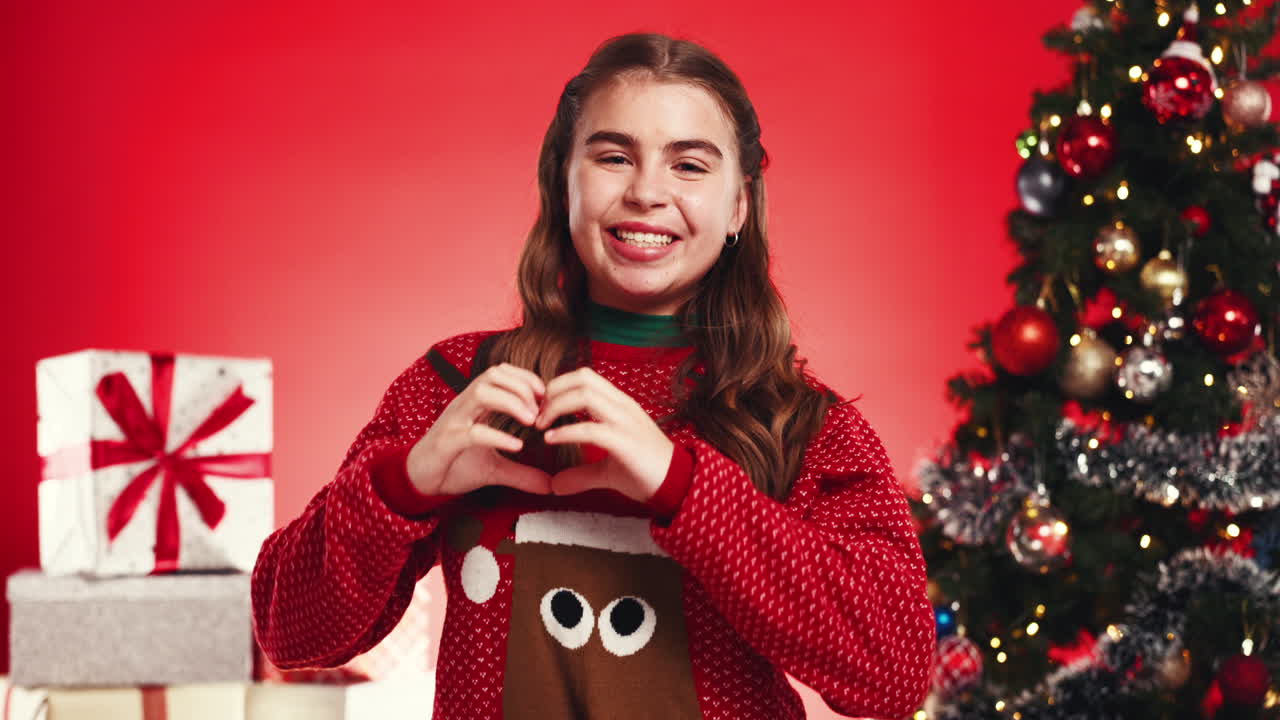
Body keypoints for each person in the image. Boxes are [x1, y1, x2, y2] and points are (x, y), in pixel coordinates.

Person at [252, 32, 934, 720]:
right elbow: (291, 630)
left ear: (738, 206)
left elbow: (897, 672)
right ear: (562, 180)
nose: (646, 193)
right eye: (614, 157)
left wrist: (682, 487)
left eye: (689, 166)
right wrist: (407, 483)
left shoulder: (800, 421)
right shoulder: (458, 385)